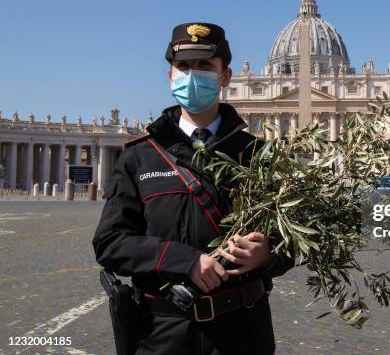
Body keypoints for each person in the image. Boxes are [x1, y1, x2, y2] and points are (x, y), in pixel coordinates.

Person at [92, 22, 293, 354]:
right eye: (183, 66)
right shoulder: (139, 157)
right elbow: (110, 243)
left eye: (204, 66)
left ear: (224, 77)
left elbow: (293, 243)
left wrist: (267, 255)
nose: (191, 75)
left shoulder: (257, 156)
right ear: (171, 76)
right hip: (162, 333)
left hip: (242, 333)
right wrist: (184, 261)